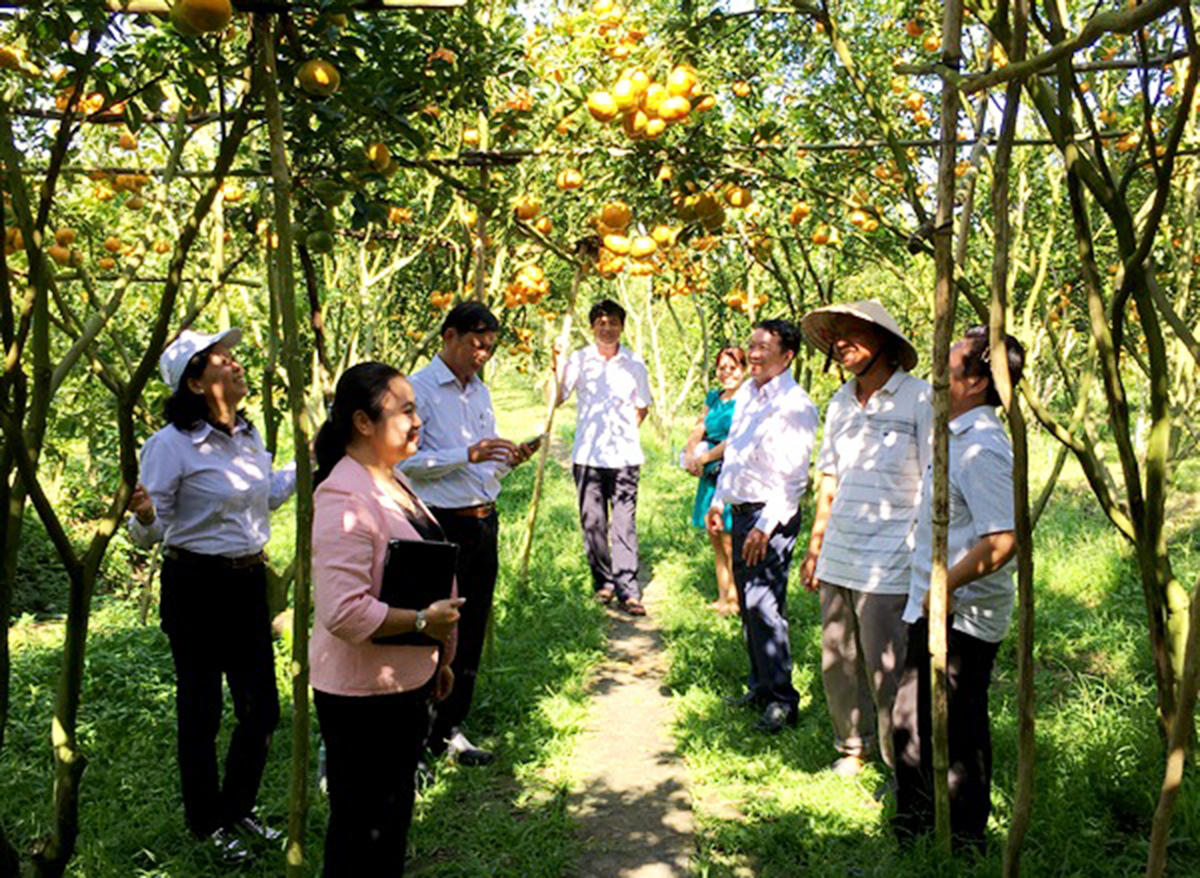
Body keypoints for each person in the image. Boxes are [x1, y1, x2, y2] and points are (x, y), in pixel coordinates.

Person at [127, 328, 295, 860]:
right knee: (200, 711)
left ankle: (238, 809)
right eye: (224, 360)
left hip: (247, 582)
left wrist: (309, 463)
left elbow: (264, 496)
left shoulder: (247, 435)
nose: (237, 365)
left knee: (261, 709)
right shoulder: (169, 447)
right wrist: (146, 516)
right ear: (196, 382)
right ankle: (207, 823)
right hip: (196, 584)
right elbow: (151, 531)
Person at [310, 362, 464, 877]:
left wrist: (438, 657)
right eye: (405, 410)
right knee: (361, 831)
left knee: (390, 822)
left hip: (404, 684)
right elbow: (343, 611)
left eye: (416, 408)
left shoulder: (390, 481)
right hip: (363, 699)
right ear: (362, 422)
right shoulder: (343, 497)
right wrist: (422, 622)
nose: (418, 421)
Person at [891, 327, 1023, 850]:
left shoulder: (982, 448)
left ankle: (964, 842)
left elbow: (1001, 540)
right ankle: (917, 832)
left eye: (945, 369)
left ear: (974, 382)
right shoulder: (955, 435)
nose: (934, 379)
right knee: (913, 720)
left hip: (961, 615)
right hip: (934, 604)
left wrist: (945, 585)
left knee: (959, 728)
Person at [798, 300, 932, 777]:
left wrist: (926, 553)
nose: (841, 343)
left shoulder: (919, 398)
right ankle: (853, 746)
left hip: (891, 556)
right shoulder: (838, 402)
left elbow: (935, 480)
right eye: (837, 335)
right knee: (839, 656)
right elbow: (828, 476)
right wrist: (816, 546)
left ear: (886, 343)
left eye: (854, 333)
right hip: (840, 548)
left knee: (887, 664)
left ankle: (901, 766)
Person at [400, 301, 535, 767]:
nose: (483, 354)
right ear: (449, 336)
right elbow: (403, 462)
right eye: (477, 344)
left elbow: (482, 458)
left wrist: (504, 457)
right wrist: (467, 454)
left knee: (472, 627)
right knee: (434, 629)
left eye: (490, 347)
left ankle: (450, 729)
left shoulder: (480, 392)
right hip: (439, 523)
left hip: (482, 520)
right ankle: (415, 735)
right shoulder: (416, 390)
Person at [707, 319, 818, 733]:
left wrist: (764, 528)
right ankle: (761, 685)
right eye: (750, 345)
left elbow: (794, 478)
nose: (752, 353)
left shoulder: (796, 405)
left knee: (765, 605)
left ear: (787, 355)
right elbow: (734, 453)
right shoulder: (749, 395)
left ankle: (782, 701)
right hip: (741, 511)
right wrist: (720, 501)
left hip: (770, 518)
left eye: (762, 347)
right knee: (749, 607)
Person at [556, 299, 654, 615]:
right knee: (593, 522)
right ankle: (604, 582)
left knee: (624, 523)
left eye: (612, 322)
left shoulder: (634, 364)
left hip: (625, 455)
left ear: (621, 327)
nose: (607, 327)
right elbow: (557, 398)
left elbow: (643, 406)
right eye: (601, 322)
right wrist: (557, 364)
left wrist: (624, 431)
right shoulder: (579, 360)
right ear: (592, 327)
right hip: (587, 455)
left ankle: (628, 589)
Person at [682, 346, 747, 615]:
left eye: (733, 368)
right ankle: (723, 596)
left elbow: (736, 439)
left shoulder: (747, 399)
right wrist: (690, 451)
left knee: (730, 539)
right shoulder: (714, 396)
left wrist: (705, 457)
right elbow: (701, 425)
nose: (727, 373)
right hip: (709, 474)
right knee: (715, 537)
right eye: (722, 367)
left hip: (730, 473)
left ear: (743, 369)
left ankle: (736, 598)